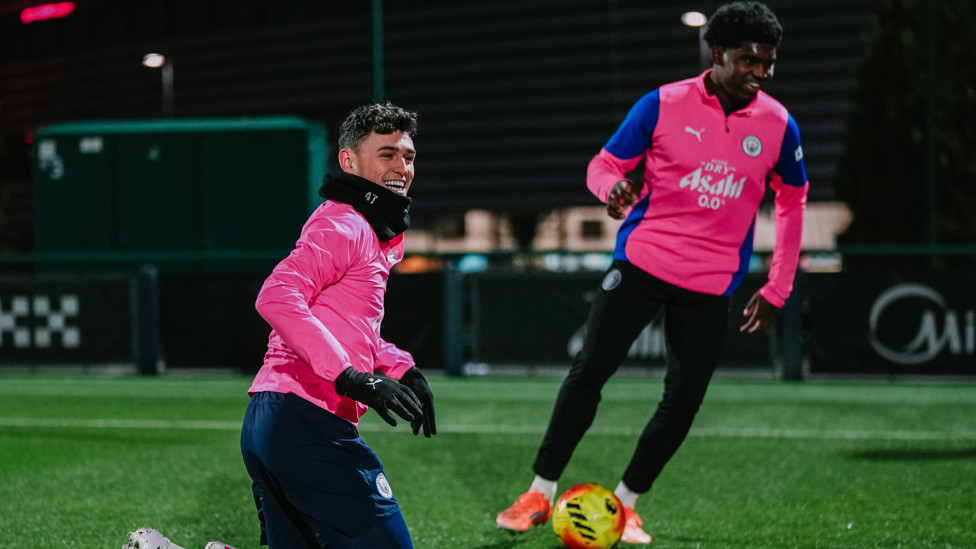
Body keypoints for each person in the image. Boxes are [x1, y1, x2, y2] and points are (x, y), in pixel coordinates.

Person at [495, 1, 808, 544]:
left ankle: (626, 504)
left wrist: (778, 285)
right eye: (749, 61)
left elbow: (794, 201)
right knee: (590, 372)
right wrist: (609, 190)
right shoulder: (663, 103)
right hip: (642, 263)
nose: (761, 73)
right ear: (718, 54)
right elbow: (604, 165)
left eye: (769, 63)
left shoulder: (778, 124)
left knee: (684, 399)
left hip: (712, 284)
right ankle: (539, 493)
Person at [240, 101, 436, 548]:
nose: (401, 166)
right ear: (349, 160)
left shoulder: (366, 226)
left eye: (408, 156)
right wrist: (350, 377)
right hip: (305, 421)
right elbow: (276, 296)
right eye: (386, 154)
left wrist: (400, 366)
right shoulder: (344, 223)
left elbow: (346, 323)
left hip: (275, 418)